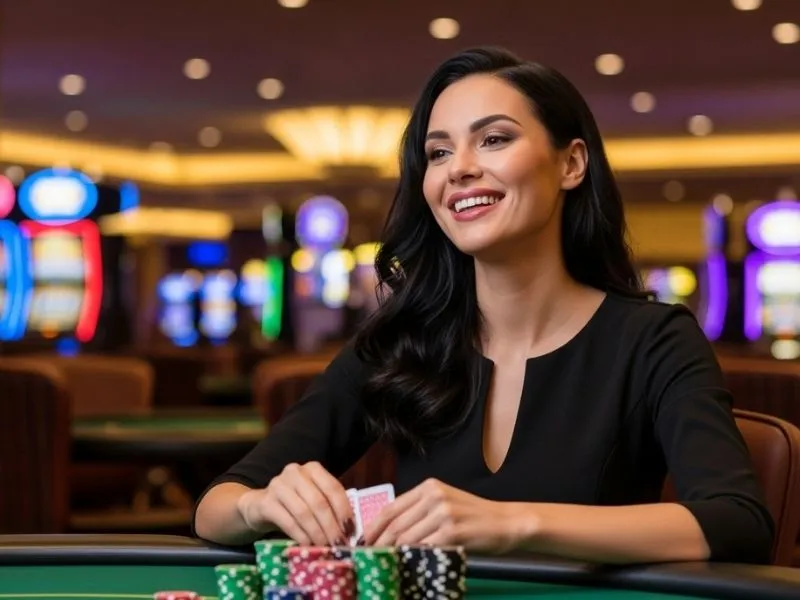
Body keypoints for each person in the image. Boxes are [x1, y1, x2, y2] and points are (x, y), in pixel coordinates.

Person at [194, 47, 774, 564]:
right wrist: (262, 505)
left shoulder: (653, 339)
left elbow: (735, 520)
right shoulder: (400, 343)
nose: (459, 168)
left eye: (493, 139)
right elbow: (215, 507)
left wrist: (511, 522)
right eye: (438, 152)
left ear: (571, 164)